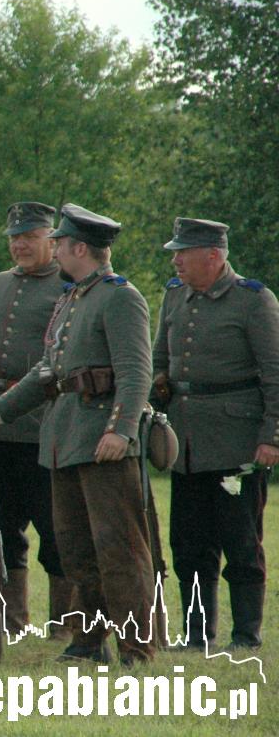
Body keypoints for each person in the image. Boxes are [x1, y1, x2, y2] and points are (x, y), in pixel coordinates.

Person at [0, 204, 156, 665]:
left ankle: (137, 648)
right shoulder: (73, 298)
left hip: (103, 443)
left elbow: (136, 374)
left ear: (79, 248)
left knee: (119, 550)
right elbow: (47, 373)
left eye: (57, 241)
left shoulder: (120, 296)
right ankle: (88, 643)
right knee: (77, 550)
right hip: (66, 440)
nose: (51, 248)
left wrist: (122, 431)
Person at [152, 217, 277, 651]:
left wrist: (272, 436)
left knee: (241, 544)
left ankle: (246, 636)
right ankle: (196, 634)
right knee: (189, 544)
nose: (176, 259)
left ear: (213, 255)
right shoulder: (174, 295)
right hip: (186, 444)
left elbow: (276, 375)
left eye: (182, 252)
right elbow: (159, 362)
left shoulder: (253, 301)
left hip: (236, 445)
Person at [0, 202, 76, 639]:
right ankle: (10, 621)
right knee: (0, 527)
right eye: (15, 237)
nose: (20, 245)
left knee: (55, 528)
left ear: (50, 239)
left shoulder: (68, 287)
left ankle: (64, 625)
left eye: (29, 237)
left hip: (44, 427)